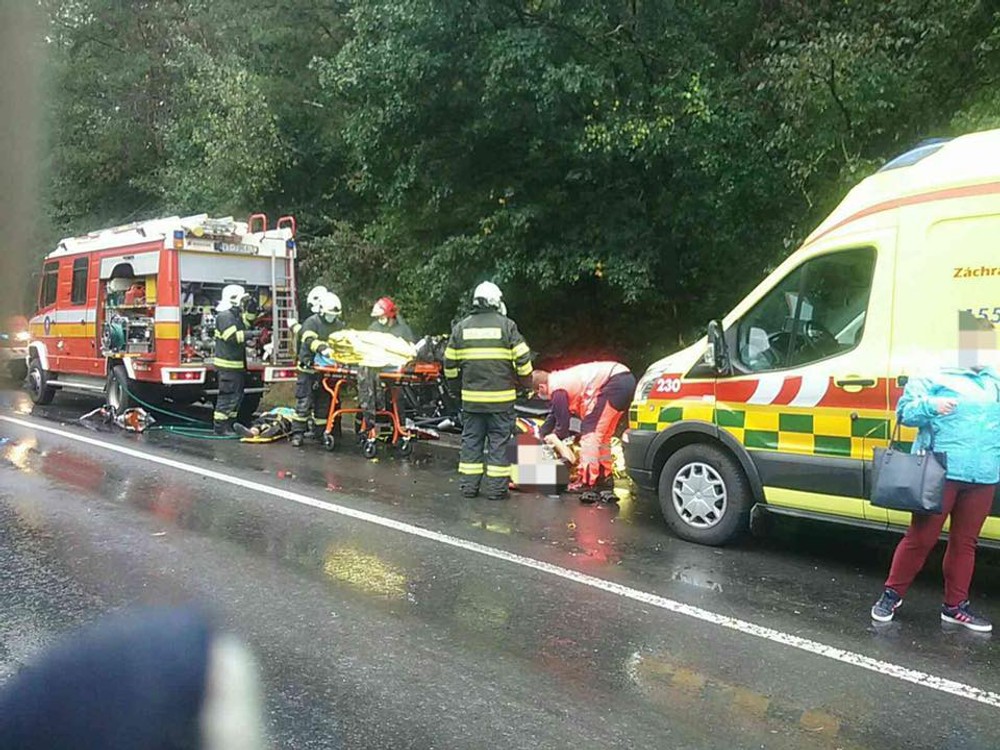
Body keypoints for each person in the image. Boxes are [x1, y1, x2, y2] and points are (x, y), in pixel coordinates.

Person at [871, 361, 1000, 632]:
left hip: (983, 474)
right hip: (939, 471)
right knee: (921, 538)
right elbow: (905, 413)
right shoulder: (932, 373)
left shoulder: (993, 379)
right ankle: (891, 596)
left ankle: (955, 606)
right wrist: (932, 406)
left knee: (965, 543)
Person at [445, 282, 533, 501]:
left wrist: (456, 391)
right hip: (501, 403)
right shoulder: (507, 326)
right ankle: (496, 490)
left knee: (471, 442)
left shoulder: (461, 328)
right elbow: (523, 360)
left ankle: (469, 488)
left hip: (472, 402)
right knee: (499, 444)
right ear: (495, 301)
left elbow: (449, 365)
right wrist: (525, 385)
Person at [534, 362, 636, 498]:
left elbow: (563, 425)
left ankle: (587, 482)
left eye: (536, 393)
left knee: (590, 433)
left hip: (613, 382)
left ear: (541, 387)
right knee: (603, 437)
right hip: (624, 380)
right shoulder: (560, 381)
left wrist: (554, 438)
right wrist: (541, 434)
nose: (538, 396)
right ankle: (604, 478)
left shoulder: (556, 388)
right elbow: (554, 414)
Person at [290, 291, 344, 447]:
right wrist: (322, 348)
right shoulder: (312, 322)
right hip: (308, 370)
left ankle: (320, 433)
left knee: (323, 403)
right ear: (322, 310)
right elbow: (309, 339)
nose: (332, 317)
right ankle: (298, 433)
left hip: (326, 372)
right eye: (329, 314)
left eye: (334, 315)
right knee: (304, 402)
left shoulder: (338, 325)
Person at [212, 284, 260, 436]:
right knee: (227, 397)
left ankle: (230, 424)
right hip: (227, 366)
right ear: (234, 299)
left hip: (236, 366)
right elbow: (232, 337)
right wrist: (253, 334)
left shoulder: (235, 315)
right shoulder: (225, 316)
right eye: (242, 300)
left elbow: (246, 324)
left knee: (235, 397)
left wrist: (252, 309)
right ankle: (220, 427)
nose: (242, 303)